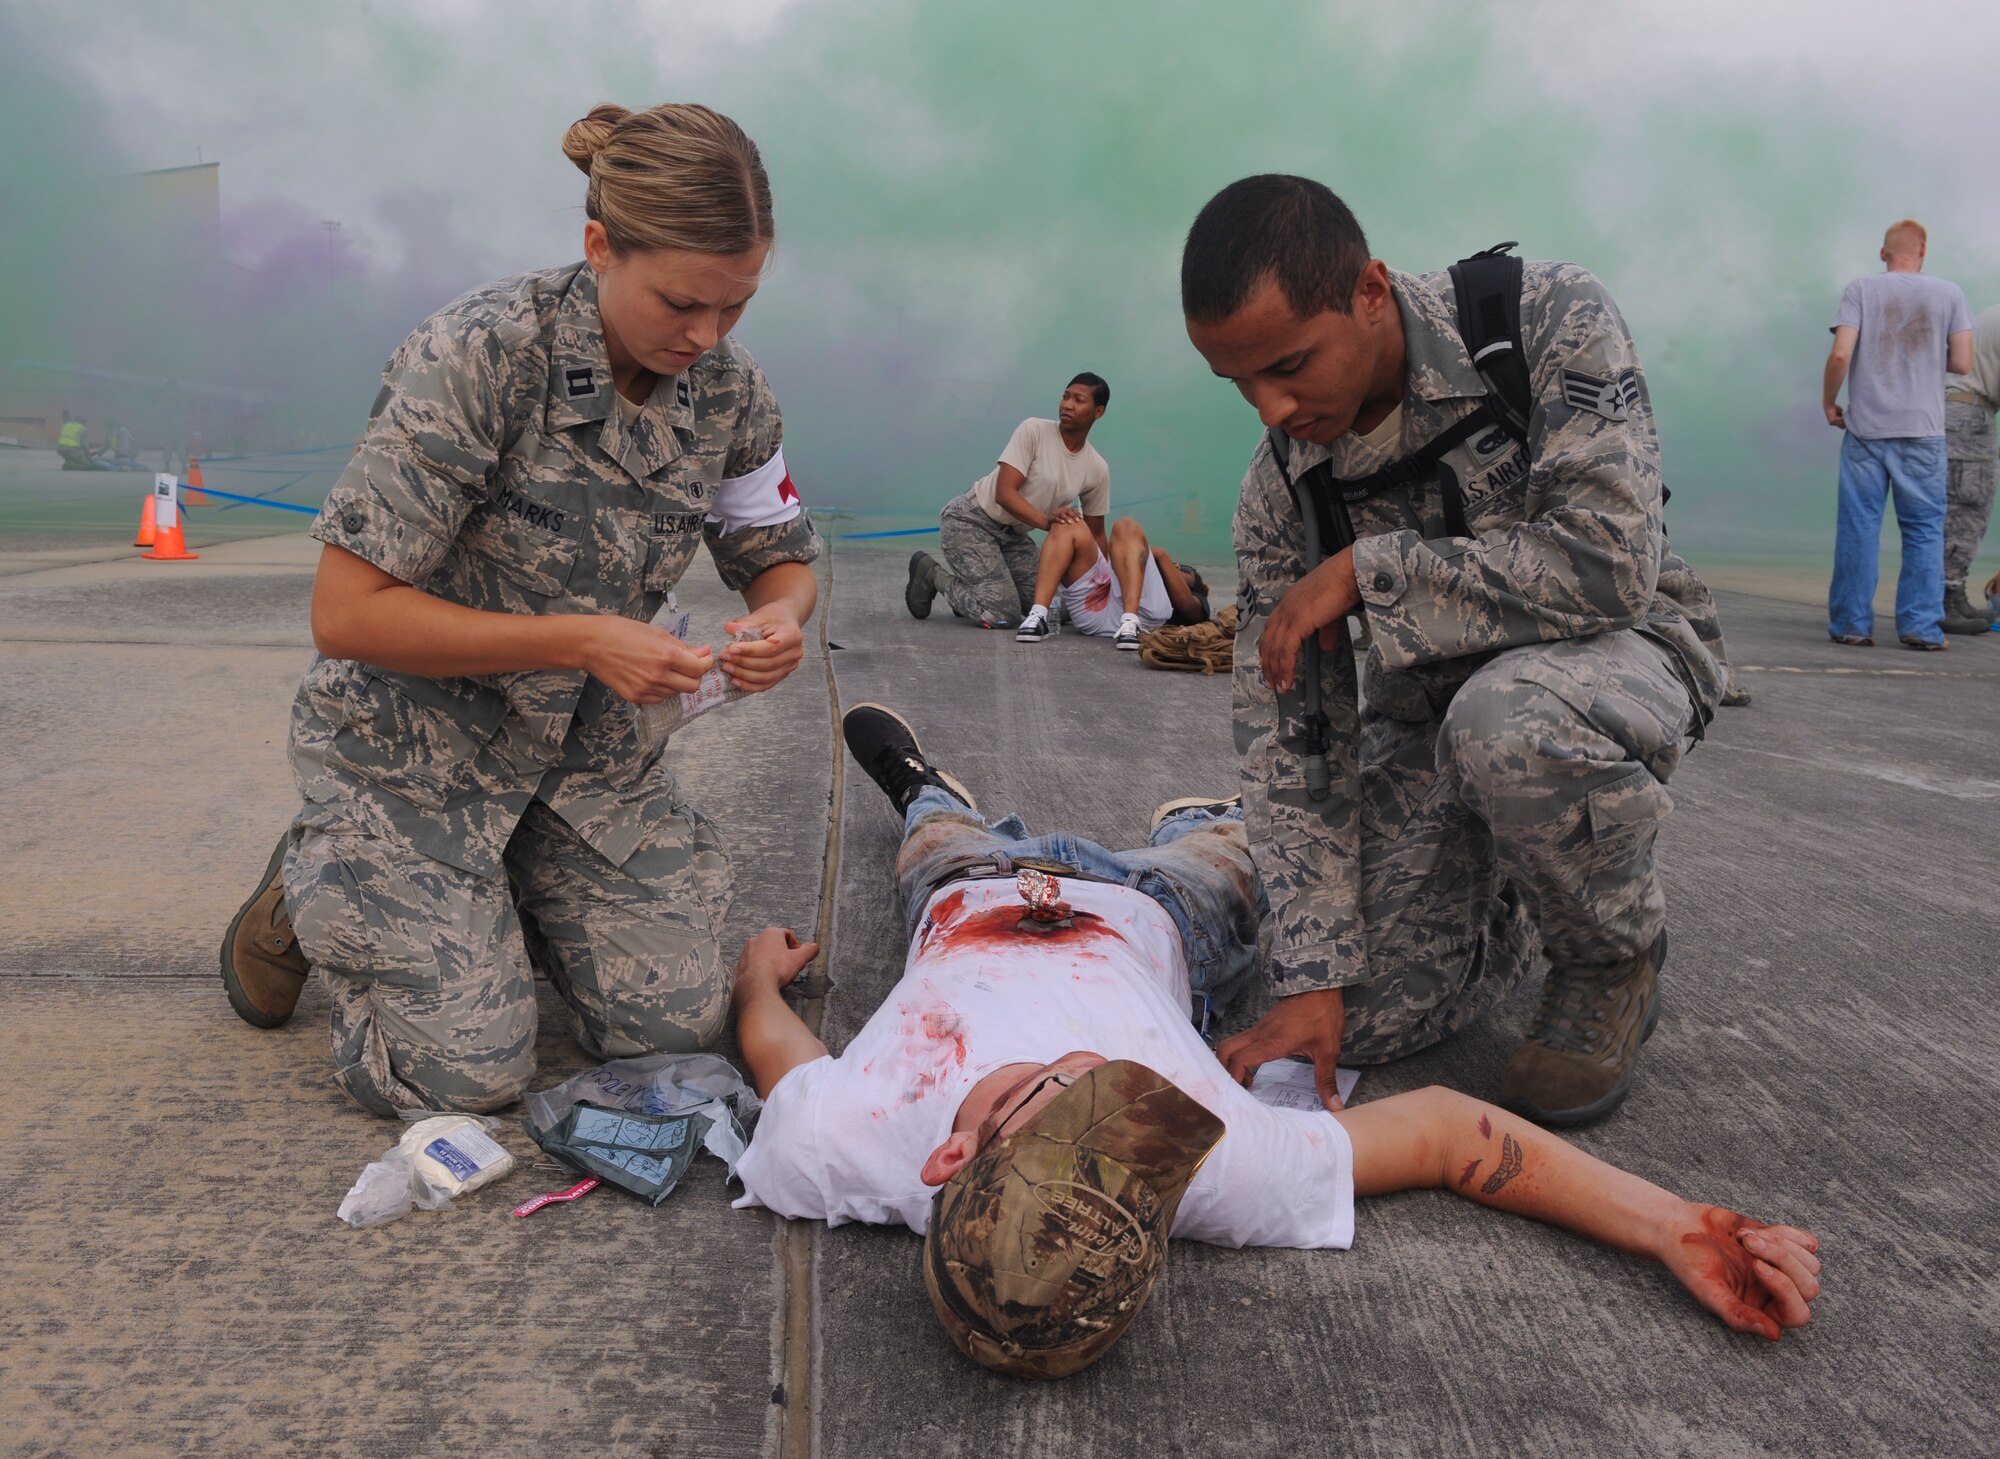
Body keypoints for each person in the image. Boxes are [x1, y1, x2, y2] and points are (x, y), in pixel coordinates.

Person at [728, 705, 1823, 1379]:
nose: (1116, 1087)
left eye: (1069, 1102)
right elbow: (1448, 1136)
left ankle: (923, 785)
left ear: (947, 1158)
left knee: (929, 838)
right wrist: (1672, 1223)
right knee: (1232, 855)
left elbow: (777, 1051)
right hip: (1161, 915)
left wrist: (754, 982)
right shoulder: (1204, 1170)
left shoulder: (843, 1142)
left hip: (968, 898)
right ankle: (1205, 824)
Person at [215, 103, 821, 1117]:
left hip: (583, 768)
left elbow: (779, 558)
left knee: (669, 1027)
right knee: (464, 1074)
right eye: (681, 302)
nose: (706, 335)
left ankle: (497, 896)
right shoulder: (482, 357)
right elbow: (346, 612)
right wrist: (577, 639)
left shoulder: (727, 390)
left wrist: (782, 619)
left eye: (736, 306)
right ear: (599, 247)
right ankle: (317, 873)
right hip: (419, 754)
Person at [1178, 176, 1734, 1128]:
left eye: (1290, 365)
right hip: (1430, 727)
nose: (1269, 409)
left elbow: (1610, 562)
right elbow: (1293, 731)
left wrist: (1371, 571)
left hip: (1619, 655)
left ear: (1368, 291)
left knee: (1506, 723)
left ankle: (1609, 954)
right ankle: (1503, 884)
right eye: (1238, 384)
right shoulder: (1283, 490)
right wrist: (1315, 965)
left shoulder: (1546, 319)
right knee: (1349, 1021)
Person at [1822, 219, 1975, 651]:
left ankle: (1852, 625)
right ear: (1922, 250)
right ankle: (1921, 628)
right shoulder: (1949, 293)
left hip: (1867, 430)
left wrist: (1829, 401)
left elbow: (1840, 354)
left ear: (1882, 253)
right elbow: (1963, 363)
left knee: (1859, 528)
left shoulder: (1861, 290)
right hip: (1924, 432)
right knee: (1925, 530)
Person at [905, 375, 1111, 629]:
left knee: (1065, 607)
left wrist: (1104, 587)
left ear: (1098, 412)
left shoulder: (1096, 467)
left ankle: (978, 593)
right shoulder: (1033, 430)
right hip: (971, 522)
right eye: (1066, 396)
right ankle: (933, 575)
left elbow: (1096, 534)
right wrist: (1048, 523)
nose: (1067, 405)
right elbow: (1005, 493)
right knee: (1003, 615)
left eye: (1079, 400)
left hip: (1013, 539)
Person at [1014, 515, 1211, 649]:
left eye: (1187, 570)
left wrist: (1162, 557)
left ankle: (1130, 623)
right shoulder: (1139, 560)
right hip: (1096, 609)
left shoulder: (1195, 599)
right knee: (1068, 522)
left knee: (1126, 525)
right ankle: (1038, 615)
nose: (1178, 567)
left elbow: (1188, 607)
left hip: (1143, 616)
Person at [1942, 303, 2000, 633]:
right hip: (1968, 414)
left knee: (1964, 509)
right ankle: (1945, 600)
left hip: (1965, 412)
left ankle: (1955, 594)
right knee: (1967, 509)